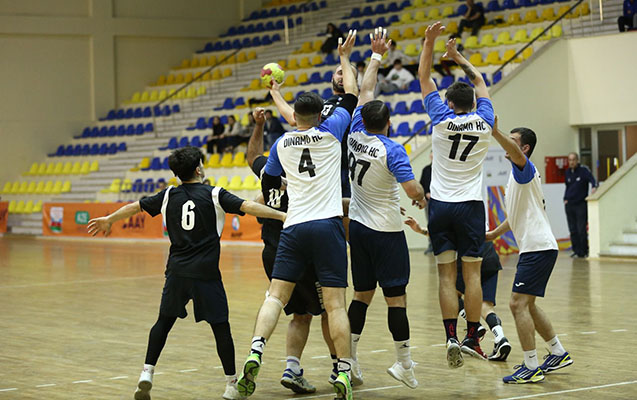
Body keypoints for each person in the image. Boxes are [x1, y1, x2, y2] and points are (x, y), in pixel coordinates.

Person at [86, 146, 287, 400]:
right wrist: (281, 215)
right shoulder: (214, 194)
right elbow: (248, 207)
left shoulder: (168, 195)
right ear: (198, 169)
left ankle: (147, 373)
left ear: (177, 174)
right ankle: (230, 385)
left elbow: (135, 207)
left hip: (177, 272)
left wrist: (109, 219)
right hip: (206, 274)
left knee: (163, 323)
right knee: (221, 328)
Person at [237, 30, 359, 400]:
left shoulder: (281, 143)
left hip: (292, 228)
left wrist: (274, 93)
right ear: (322, 115)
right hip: (327, 226)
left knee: (275, 298)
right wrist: (343, 57)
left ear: (295, 118)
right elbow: (352, 93)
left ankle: (256, 351)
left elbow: (268, 177)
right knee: (334, 305)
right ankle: (343, 371)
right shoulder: (332, 131)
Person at [345, 28, 426, 390]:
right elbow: (411, 189)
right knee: (396, 299)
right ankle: (404, 364)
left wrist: (375, 56)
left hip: (358, 228)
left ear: (364, 120)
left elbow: (365, 91)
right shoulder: (393, 150)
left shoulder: (354, 134)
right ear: (389, 124)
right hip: (387, 232)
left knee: (361, 296)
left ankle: (350, 362)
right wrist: (421, 196)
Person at [245, 107, 337, 394]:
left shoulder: (269, 171)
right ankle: (340, 366)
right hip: (300, 248)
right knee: (328, 309)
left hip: (272, 253)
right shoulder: (305, 179)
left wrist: (258, 125)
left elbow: (252, 156)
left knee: (297, 313)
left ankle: (289, 367)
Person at [419, 22, 494, 366]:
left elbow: (424, 78)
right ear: (474, 102)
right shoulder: (485, 119)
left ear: (448, 102)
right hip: (471, 207)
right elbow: (480, 81)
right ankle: (472, 338)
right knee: (472, 275)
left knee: (446, 276)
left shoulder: (439, 117)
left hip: (441, 208)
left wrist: (430, 42)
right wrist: (458, 56)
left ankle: (450, 336)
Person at [486, 117, 573, 384]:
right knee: (529, 305)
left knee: (517, 304)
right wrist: (494, 234)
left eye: (513, 141)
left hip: (537, 248)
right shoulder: (518, 176)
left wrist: (494, 132)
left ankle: (531, 366)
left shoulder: (524, 167)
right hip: (538, 248)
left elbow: (513, 152)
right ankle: (557, 352)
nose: (507, 144)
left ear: (524, 149)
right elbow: (515, 215)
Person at [564, 152, 597, 258]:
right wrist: (565, 199)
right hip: (570, 204)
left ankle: (584, 250)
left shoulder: (584, 170)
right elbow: (568, 187)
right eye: (570, 160)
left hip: (580, 204)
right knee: (572, 229)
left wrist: (594, 187)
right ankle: (576, 250)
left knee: (581, 229)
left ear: (577, 160)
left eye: (573, 160)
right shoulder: (567, 172)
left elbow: (592, 180)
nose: (571, 162)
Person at [419, 152, 433, 254]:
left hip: (441, 201)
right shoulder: (426, 170)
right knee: (430, 223)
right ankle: (431, 245)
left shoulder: (442, 169)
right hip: (429, 202)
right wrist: (426, 193)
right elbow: (421, 185)